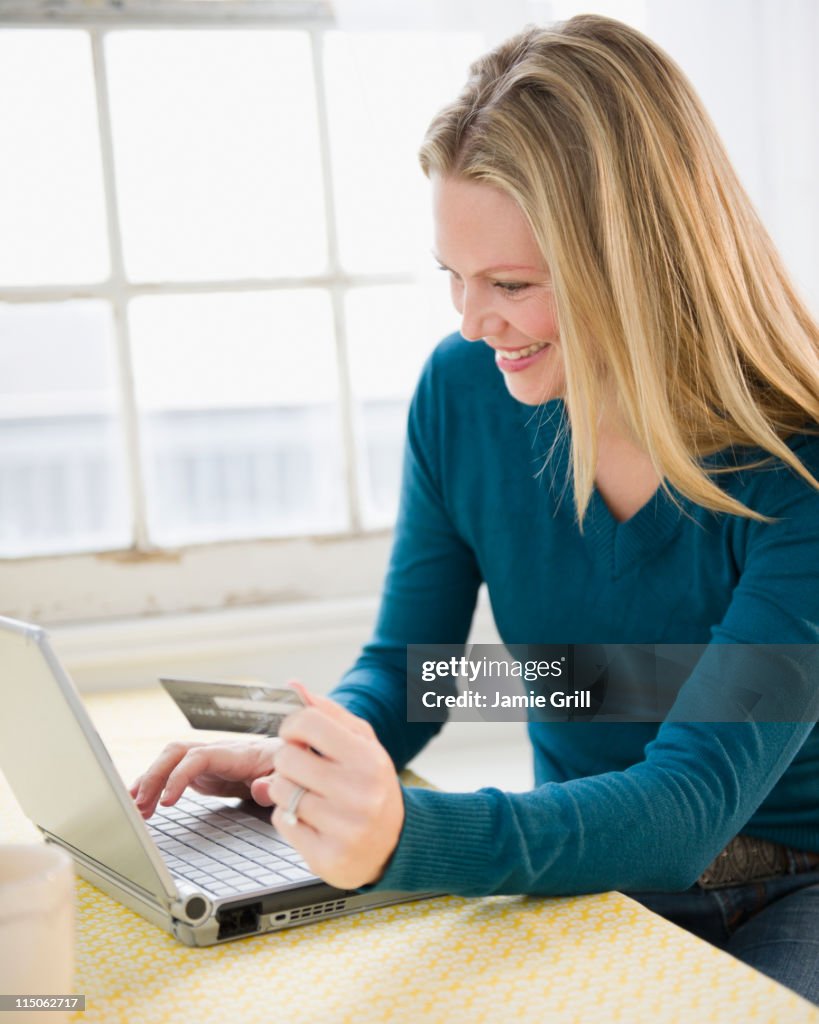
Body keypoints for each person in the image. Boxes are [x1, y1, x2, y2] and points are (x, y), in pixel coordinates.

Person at [131, 15, 819, 1003]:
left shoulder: (798, 471)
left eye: (511, 285)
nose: (470, 322)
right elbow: (424, 675)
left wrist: (403, 837)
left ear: (636, 266)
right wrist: (313, 754)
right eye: (453, 277)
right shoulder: (465, 394)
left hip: (791, 889)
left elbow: (685, 808)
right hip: (592, 873)